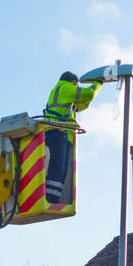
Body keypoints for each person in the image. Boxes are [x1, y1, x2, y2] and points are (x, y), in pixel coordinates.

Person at [42, 71, 100, 203]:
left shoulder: (59, 91)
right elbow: (88, 93)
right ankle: (51, 197)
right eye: (76, 85)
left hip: (58, 133)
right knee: (57, 167)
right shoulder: (65, 88)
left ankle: (53, 196)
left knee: (60, 167)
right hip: (58, 133)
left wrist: (88, 98)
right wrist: (99, 83)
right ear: (73, 82)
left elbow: (81, 104)